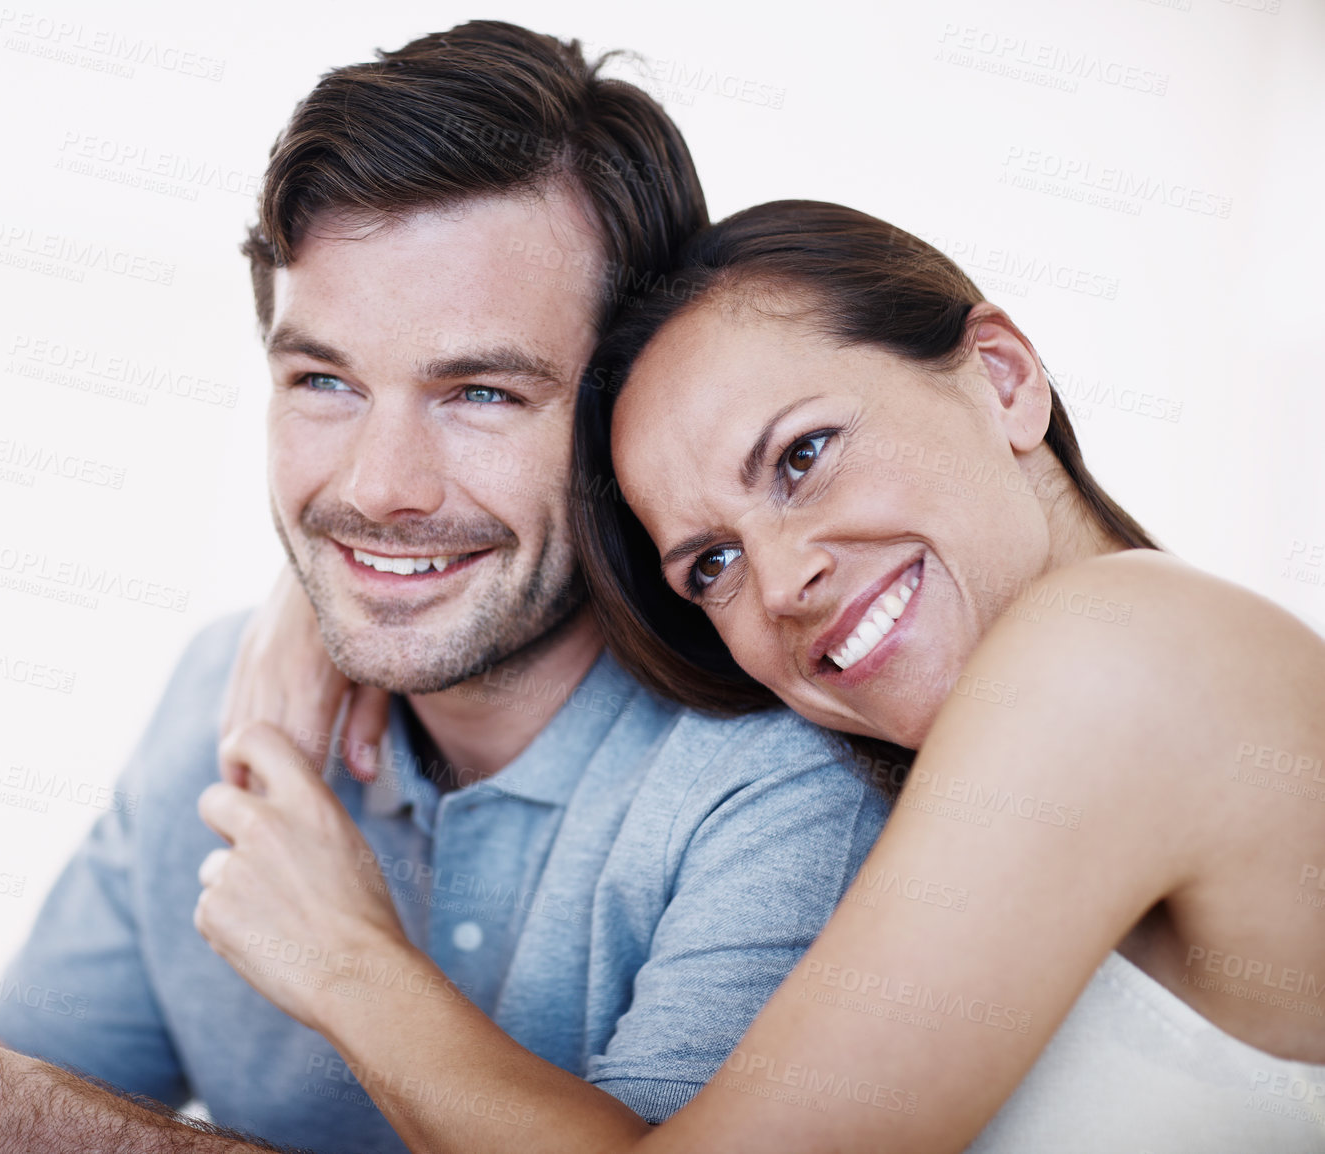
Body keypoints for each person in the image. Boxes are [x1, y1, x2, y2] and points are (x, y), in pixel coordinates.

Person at [0, 26, 893, 1154]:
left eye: (481, 392)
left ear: (627, 405)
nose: (380, 485)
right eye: (322, 380)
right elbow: (8, 1099)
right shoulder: (231, 691)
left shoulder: (779, 783)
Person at [188, 201, 1325, 1152]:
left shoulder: (1115, 648)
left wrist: (345, 957)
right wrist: (359, 595)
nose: (780, 583)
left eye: (803, 456)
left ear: (1001, 374)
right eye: (710, 562)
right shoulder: (1020, 738)